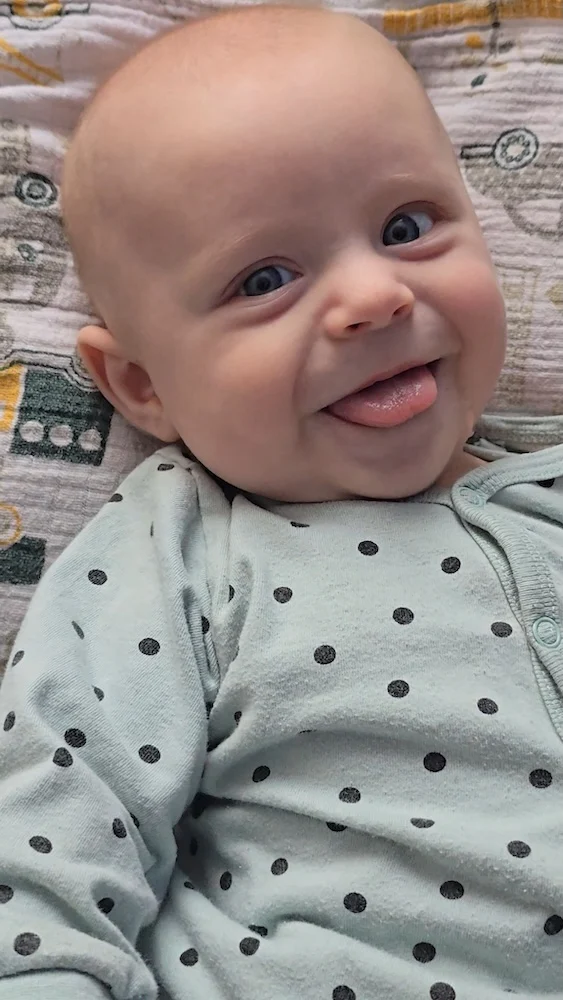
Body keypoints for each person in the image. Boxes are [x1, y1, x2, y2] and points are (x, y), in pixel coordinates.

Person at [0, 5, 562, 999]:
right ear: (142, 386)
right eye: (264, 278)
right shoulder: (180, 545)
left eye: (405, 227)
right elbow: (47, 858)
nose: (374, 297)